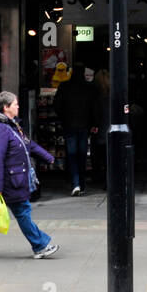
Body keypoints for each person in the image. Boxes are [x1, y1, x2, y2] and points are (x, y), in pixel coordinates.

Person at [0, 90, 59, 259]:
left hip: (12, 179)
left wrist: (48, 157)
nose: (18, 106)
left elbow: (28, 145)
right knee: (22, 211)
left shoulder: (11, 125)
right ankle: (40, 245)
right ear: (6, 107)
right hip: (9, 181)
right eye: (15, 104)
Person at [52, 65, 97, 195]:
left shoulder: (64, 86)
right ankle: (81, 183)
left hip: (69, 125)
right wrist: (94, 123)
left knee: (72, 154)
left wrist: (63, 118)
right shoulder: (89, 87)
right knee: (82, 154)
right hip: (84, 125)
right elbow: (94, 107)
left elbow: (57, 105)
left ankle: (76, 183)